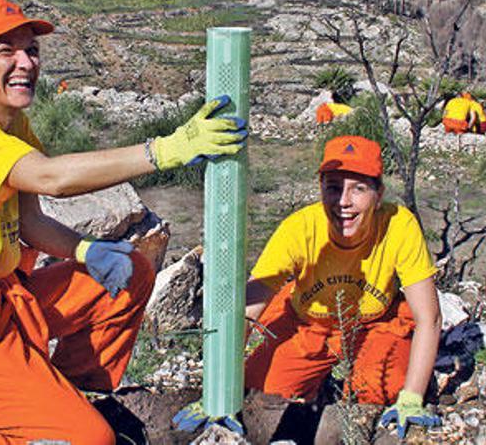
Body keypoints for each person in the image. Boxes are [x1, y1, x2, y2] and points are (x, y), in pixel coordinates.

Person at [0, 0, 247, 444]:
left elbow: (30, 222)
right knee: (92, 441)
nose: (25, 62)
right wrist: (163, 150)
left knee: (132, 270)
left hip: (4, 303)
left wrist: (87, 250)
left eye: (31, 51)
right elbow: (51, 178)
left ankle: (59, 397)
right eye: (6, 51)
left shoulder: (10, 124)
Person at [175, 135, 442, 439]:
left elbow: (428, 318)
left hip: (374, 324)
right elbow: (249, 309)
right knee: (260, 390)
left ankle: (350, 386)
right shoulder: (299, 229)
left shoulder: (398, 225)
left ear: (378, 194)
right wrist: (218, 390)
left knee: (383, 389)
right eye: (333, 187)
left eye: (359, 188)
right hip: (309, 324)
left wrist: (412, 397)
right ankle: (319, 385)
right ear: (321, 190)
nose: (343, 201)